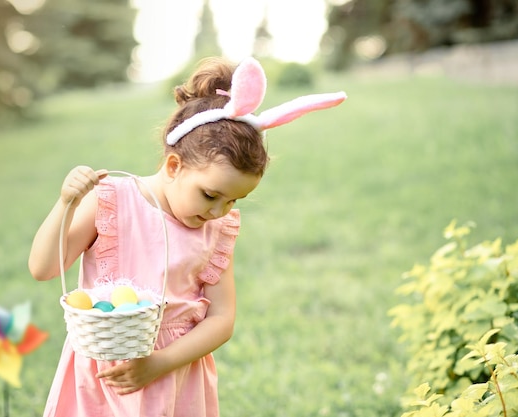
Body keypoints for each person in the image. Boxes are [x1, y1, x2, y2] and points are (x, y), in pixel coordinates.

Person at [28, 56, 346, 417]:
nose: (217, 211)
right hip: (104, 371)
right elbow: (43, 269)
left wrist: (159, 363)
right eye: (210, 195)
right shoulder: (111, 201)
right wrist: (66, 203)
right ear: (174, 166)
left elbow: (222, 319)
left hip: (172, 373)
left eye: (233, 200)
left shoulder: (216, 230)